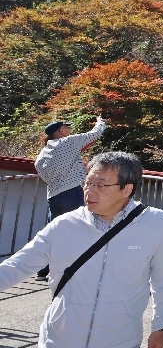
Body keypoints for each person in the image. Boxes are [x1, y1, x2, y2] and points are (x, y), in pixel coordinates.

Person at [0, 151, 163, 348]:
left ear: (127, 189)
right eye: (88, 183)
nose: (90, 190)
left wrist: (160, 328)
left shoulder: (155, 222)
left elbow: (162, 279)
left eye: (101, 184)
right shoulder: (63, 226)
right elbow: (17, 265)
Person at [34, 116, 107, 278]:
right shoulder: (69, 142)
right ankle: (78, 268)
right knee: (83, 230)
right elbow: (96, 133)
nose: (69, 129)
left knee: (55, 233)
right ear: (61, 130)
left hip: (53, 196)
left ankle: (44, 269)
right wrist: (100, 121)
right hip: (73, 192)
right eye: (67, 127)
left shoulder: (42, 155)